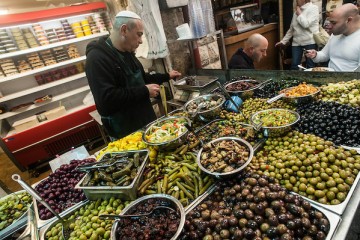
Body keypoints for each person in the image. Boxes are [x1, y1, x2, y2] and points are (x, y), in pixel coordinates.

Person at [85, 11, 181, 140]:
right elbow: (107, 99)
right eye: (139, 35)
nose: (141, 41)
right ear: (124, 30)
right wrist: (144, 91)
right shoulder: (96, 59)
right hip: (125, 131)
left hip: (144, 121)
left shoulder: (127, 52)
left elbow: (143, 78)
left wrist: (166, 76)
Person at [306, 3, 360, 71]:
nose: (330, 26)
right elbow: (325, 55)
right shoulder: (336, 34)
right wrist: (316, 55)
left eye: (334, 23)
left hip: (350, 81)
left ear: (349, 20)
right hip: (330, 79)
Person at [275, 0, 319, 70]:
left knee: (310, 66)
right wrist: (283, 41)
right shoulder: (297, 10)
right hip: (296, 42)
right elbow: (292, 29)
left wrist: (299, 14)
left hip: (310, 41)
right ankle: (295, 80)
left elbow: (306, 24)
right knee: (294, 65)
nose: (295, 1)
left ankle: (310, 80)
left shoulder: (313, 8)